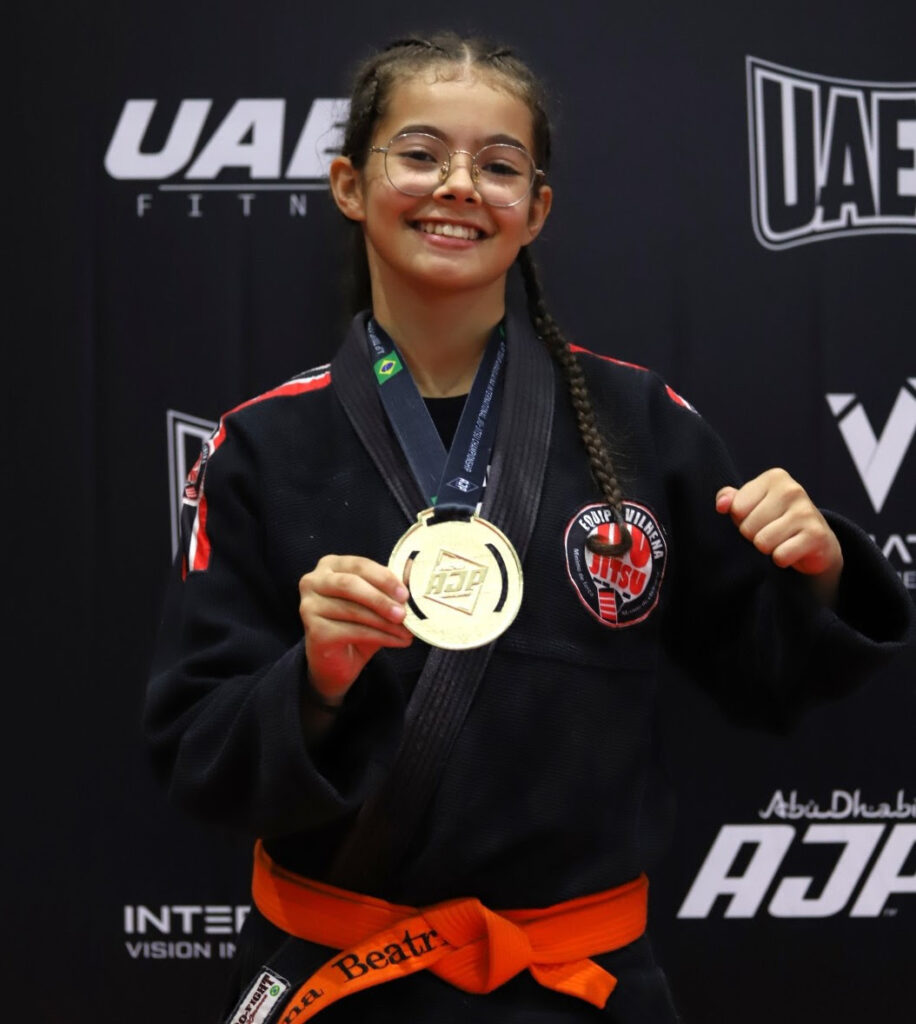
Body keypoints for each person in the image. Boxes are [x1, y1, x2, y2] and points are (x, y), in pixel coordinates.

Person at [145, 33, 913, 1024]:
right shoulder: (260, 444)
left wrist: (821, 571)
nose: (459, 185)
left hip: (575, 988)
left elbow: (766, 678)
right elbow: (195, 749)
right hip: (344, 984)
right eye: (419, 154)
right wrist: (315, 682)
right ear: (348, 185)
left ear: (537, 209)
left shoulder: (640, 424)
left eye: (499, 166)